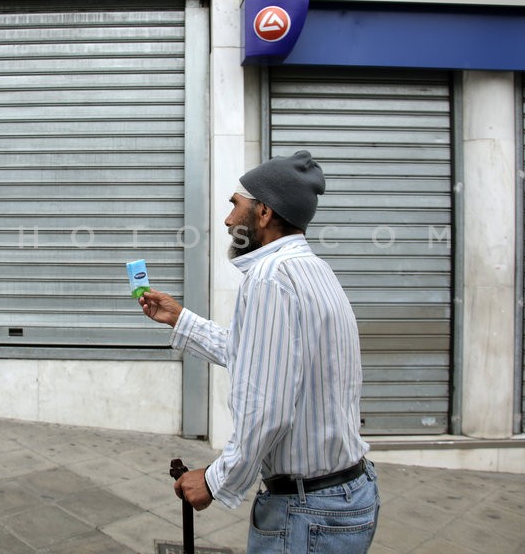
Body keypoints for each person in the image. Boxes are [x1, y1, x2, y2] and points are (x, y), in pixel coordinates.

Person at [139, 151, 379, 553]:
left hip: (308, 513)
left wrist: (218, 479)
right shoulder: (313, 270)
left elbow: (266, 404)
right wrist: (180, 319)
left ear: (264, 212)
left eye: (237, 205)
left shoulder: (269, 279)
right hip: (347, 496)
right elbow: (258, 356)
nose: (229, 219)